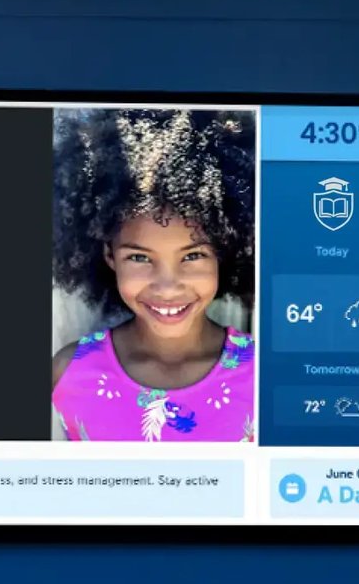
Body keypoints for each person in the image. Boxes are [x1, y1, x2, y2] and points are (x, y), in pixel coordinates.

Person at [51, 107, 256, 444]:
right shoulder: (68, 372)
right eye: (139, 257)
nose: (167, 286)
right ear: (109, 256)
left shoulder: (263, 377)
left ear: (223, 251)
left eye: (192, 255)